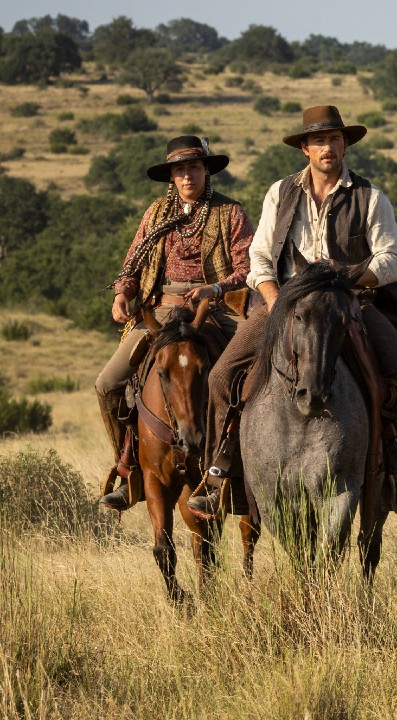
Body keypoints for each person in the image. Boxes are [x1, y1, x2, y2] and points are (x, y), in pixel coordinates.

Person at [186, 105, 397, 519]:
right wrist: (276, 299)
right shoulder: (280, 193)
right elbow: (259, 256)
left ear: (345, 145)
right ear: (305, 149)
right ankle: (220, 470)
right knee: (222, 375)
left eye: (335, 139)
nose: (328, 147)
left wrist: (350, 278)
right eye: (319, 140)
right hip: (283, 303)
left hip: (349, 302)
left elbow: (391, 260)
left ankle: (396, 470)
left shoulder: (370, 197)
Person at [97, 135, 253, 511]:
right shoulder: (154, 214)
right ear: (171, 176)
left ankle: (245, 469)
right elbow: (133, 263)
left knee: (249, 378)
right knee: (107, 384)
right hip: (161, 308)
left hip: (217, 308)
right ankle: (128, 466)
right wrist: (122, 293)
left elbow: (248, 267)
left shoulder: (230, 213)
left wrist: (214, 288)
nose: (187, 177)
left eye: (194, 168)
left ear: (206, 171)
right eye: (180, 170)